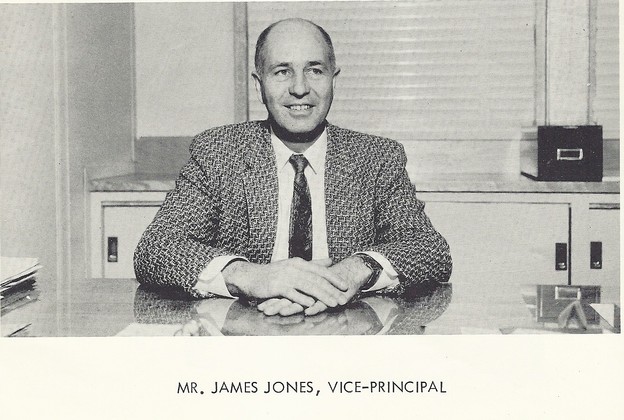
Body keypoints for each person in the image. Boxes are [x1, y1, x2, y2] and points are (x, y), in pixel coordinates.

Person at [134, 18, 452, 317]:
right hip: (246, 334)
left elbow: (429, 250)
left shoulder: (376, 157)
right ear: (259, 84)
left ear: (333, 79)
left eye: (314, 70)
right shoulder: (218, 152)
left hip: (347, 333)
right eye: (282, 71)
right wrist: (250, 276)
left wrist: (355, 271)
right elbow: (156, 249)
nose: (300, 88)